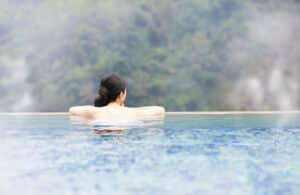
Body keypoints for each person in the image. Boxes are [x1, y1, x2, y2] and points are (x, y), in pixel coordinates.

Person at [69, 73, 165, 122]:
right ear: (121, 94)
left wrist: (95, 109)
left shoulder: (94, 111)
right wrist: (131, 109)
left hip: (100, 126)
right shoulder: (133, 112)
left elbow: (72, 110)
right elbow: (160, 110)